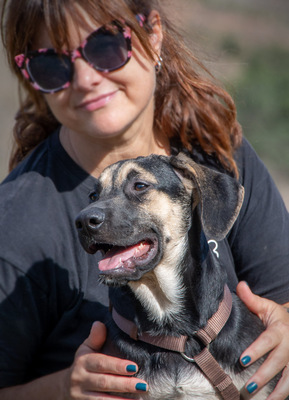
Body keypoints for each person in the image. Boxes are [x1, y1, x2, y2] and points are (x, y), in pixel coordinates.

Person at [0, 0, 289, 398]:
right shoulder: (16, 221)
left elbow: (283, 295)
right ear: (32, 78)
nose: (85, 79)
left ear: (152, 35)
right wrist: (62, 389)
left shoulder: (220, 156)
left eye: (104, 47)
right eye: (52, 65)